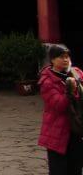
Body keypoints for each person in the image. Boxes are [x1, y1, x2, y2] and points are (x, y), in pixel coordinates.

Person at [38, 44, 83, 174]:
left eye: (67, 56)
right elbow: (59, 106)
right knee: (59, 170)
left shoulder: (77, 73)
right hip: (57, 132)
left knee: (76, 168)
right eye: (61, 57)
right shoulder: (47, 81)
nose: (65, 60)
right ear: (52, 59)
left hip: (76, 129)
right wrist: (70, 91)